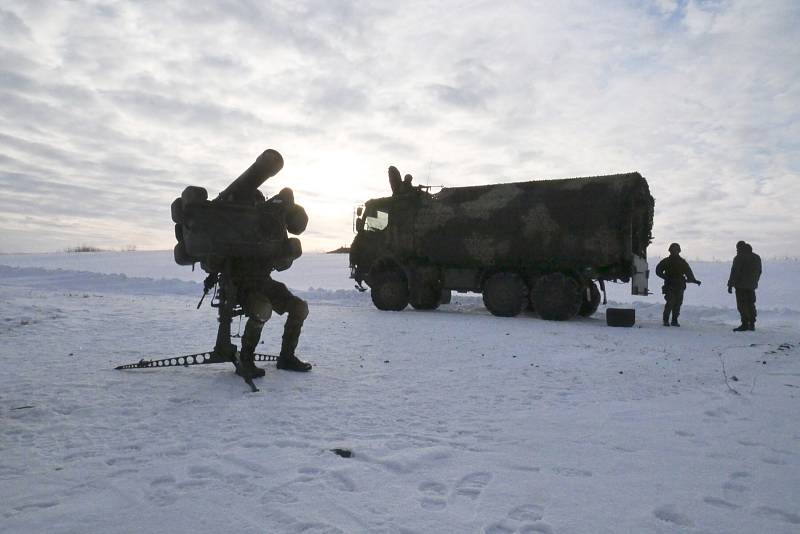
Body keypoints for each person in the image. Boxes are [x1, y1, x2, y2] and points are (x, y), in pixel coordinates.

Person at [232, 257, 312, 377]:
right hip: (239, 284)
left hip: (264, 282)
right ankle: (245, 359)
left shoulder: (269, 237)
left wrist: (287, 252)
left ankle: (286, 358)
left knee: (299, 308)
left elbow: (281, 263)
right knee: (261, 309)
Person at [655, 243, 701, 327]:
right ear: (670, 251)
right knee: (670, 302)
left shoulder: (682, 262)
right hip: (669, 285)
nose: (674, 252)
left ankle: (674, 320)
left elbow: (688, 272)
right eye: (673, 250)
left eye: (676, 250)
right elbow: (658, 271)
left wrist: (694, 280)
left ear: (678, 251)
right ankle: (666, 320)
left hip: (680, 285)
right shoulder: (666, 261)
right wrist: (666, 277)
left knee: (678, 303)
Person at [727, 241, 762, 332]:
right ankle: (752, 324)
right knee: (751, 304)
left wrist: (730, 285)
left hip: (741, 286)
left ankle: (745, 324)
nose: (736, 250)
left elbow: (735, 272)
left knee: (742, 305)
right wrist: (754, 282)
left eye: (737, 248)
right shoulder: (756, 257)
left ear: (740, 248)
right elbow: (759, 271)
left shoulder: (739, 257)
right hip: (751, 286)